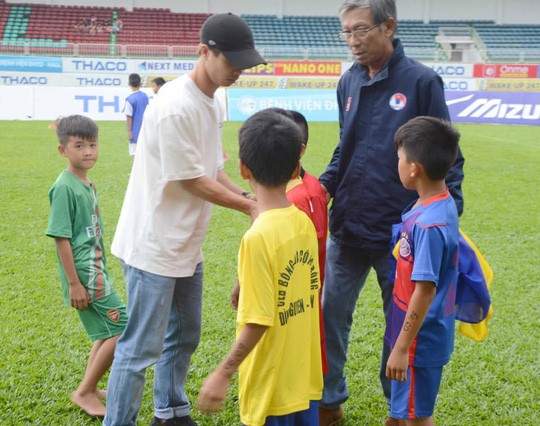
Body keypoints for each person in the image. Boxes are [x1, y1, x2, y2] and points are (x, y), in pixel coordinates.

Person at [104, 13, 266, 426]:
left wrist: (249, 195)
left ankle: (170, 411)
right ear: (204, 52)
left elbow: (212, 168)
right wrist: (249, 207)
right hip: (154, 244)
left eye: (244, 65)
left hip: (184, 243)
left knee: (185, 333)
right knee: (140, 348)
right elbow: (193, 180)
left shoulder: (211, 100)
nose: (238, 72)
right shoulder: (176, 106)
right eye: (233, 63)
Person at [317, 1, 465, 425]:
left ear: (389, 26)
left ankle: (399, 410)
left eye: (361, 30)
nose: (353, 41)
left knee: (401, 324)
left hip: (400, 234)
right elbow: (345, 148)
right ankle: (330, 402)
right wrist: (323, 187)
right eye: (346, 32)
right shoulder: (347, 82)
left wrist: (448, 212)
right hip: (347, 225)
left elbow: (447, 156)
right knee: (330, 317)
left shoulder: (421, 81)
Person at [197, 108, 323, 425]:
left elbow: (258, 321)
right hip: (303, 380)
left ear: (242, 168)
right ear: (296, 167)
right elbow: (297, 282)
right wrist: (246, 282)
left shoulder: (258, 238)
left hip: (270, 391)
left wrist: (223, 373)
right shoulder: (303, 222)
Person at [46, 115, 127, 418]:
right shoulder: (64, 187)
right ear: (62, 150)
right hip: (84, 273)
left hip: (96, 268)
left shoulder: (86, 182)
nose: (88, 151)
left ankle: (89, 387)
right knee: (122, 328)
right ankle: (84, 391)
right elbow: (61, 238)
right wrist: (75, 283)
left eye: (92, 144)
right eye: (79, 145)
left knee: (106, 331)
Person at [385, 116, 460, 425]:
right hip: (410, 327)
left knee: (418, 416)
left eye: (400, 158)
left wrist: (402, 348)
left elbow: (425, 290)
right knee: (404, 408)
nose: (398, 164)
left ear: (414, 167)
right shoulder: (434, 202)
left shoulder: (430, 224)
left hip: (419, 339)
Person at [124, 73, 149, 156]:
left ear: (129, 84)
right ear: (140, 84)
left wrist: (129, 131)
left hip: (135, 131)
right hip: (146, 130)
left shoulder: (130, 99)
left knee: (135, 155)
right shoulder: (145, 96)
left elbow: (129, 116)